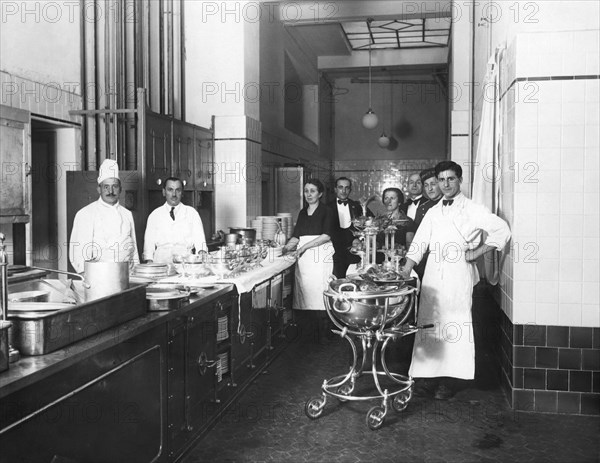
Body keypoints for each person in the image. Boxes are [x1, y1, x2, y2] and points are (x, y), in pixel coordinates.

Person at [400, 161, 511, 400]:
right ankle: (429, 377)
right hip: (433, 273)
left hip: (457, 272)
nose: (446, 184)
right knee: (430, 324)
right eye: (442, 180)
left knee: (455, 325)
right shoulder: (433, 210)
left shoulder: (473, 208)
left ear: (460, 180)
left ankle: (451, 381)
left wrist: (477, 252)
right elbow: (419, 243)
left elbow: (502, 230)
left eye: (451, 179)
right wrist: (405, 270)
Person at [283, 178, 334, 343]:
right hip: (305, 260)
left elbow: (326, 236)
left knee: (320, 292)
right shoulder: (302, 212)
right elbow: (297, 236)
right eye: (306, 191)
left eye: (312, 191)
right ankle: (308, 335)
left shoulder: (327, 211)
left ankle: (324, 334)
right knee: (305, 293)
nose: (309, 194)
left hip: (321, 256)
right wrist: (283, 248)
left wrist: (303, 248)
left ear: (320, 194)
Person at [69, 159, 140, 273]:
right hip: (98, 276)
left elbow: (134, 249)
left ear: (120, 189)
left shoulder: (127, 214)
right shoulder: (86, 214)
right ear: (99, 189)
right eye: (106, 186)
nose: (110, 191)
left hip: (126, 275)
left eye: (115, 186)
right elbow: (78, 253)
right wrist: (87, 277)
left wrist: (137, 271)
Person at [143, 177, 206, 264]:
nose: (174, 194)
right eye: (170, 190)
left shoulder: (192, 213)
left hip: (185, 262)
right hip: (161, 263)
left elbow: (200, 241)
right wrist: (149, 264)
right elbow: (148, 246)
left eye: (178, 190)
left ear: (182, 193)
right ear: (164, 192)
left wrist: (202, 256)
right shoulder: (154, 215)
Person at [327, 177, 371, 278]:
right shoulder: (327, 208)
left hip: (354, 252)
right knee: (336, 281)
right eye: (340, 187)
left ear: (350, 190)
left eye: (347, 188)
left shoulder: (357, 206)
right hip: (334, 253)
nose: (343, 191)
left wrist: (359, 239)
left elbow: (370, 224)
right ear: (335, 189)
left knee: (355, 279)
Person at [413, 168, 443, 280]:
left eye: (433, 184)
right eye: (426, 185)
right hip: (426, 259)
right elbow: (418, 238)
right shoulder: (422, 209)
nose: (429, 188)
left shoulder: (451, 205)